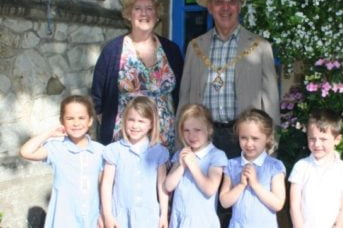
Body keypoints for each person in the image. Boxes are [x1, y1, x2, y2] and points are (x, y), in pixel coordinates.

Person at [178, 0, 280, 159]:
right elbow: (185, 97)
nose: (225, 7)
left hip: (245, 139)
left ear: (239, 7)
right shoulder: (195, 47)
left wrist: (271, 149)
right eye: (218, 1)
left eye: (232, 1)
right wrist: (181, 142)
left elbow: (271, 103)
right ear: (210, 8)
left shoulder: (260, 47)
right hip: (202, 138)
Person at [91, 0, 184, 151]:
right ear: (129, 14)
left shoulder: (171, 50)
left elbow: (182, 91)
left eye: (149, 8)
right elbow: (97, 96)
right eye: (137, 9)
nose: (144, 13)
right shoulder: (113, 50)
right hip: (125, 136)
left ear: (156, 15)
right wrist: (108, 124)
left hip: (164, 137)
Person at [19, 95, 105, 228]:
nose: (76, 123)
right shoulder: (55, 148)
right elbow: (26, 152)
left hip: (91, 218)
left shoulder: (100, 151)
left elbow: (103, 186)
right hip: (64, 219)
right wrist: (50, 133)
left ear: (90, 121)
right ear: (62, 121)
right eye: (70, 118)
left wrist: (104, 214)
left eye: (81, 118)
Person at [101, 96, 169, 228]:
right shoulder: (114, 150)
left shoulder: (158, 152)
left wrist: (164, 215)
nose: (135, 125)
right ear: (124, 120)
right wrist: (107, 215)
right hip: (120, 216)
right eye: (131, 120)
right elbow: (107, 184)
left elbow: (162, 186)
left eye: (141, 121)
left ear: (151, 124)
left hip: (148, 217)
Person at [289, 109, 343, 228]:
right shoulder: (301, 167)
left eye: (323, 139)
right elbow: (294, 206)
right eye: (312, 138)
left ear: (337, 140)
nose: (317, 144)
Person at [219, 109, 286, 228]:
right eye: (244, 138)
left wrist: (255, 184)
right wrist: (240, 185)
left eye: (255, 138)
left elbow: (278, 204)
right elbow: (224, 202)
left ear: (268, 137)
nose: (249, 144)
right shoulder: (231, 165)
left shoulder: (275, 166)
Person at [165, 104, 228, 228]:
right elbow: (168, 186)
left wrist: (193, 166)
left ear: (209, 129)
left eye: (197, 130)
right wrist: (182, 166)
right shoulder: (181, 154)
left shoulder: (216, 155)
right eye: (186, 130)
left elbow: (210, 189)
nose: (192, 135)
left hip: (201, 221)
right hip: (179, 219)